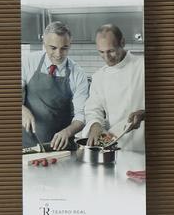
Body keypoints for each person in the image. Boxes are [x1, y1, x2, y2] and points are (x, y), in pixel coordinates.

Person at [21, 21, 89, 150]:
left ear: (70, 45)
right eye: (53, 48)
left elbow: (82, 115)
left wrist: (67, 132)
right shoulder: (28, 62)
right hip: (27, 146)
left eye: (64, 48)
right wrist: (22, 110)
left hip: (61, 147)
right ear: (44, 44)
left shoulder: (78, 74)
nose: (58, 54)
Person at [84, 24, 146, 152]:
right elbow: (93, 110)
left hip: (145, 148)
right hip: (117, 148)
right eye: (101, 52)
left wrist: (144, 113)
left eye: (111, 51)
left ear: (122, 42)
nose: (106, 58)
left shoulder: (143, 67)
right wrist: (95, 125)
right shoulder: (99, 77)